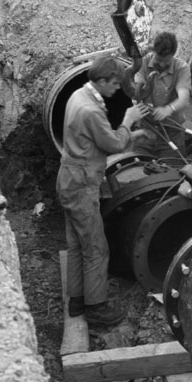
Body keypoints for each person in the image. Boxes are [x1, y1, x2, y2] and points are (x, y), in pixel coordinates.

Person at [57, 56, 146, 327]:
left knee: (76, 244)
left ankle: (77, 301)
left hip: (68, 177)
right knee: (96, 247)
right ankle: (96, 307)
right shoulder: (92, 111)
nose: (117, 89)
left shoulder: (78, 95)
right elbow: (113, 144)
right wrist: (129, 122)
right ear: (103, 80)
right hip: (82, 184)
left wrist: (129, 135)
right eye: (115, 83)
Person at [122, 31, 191, 166]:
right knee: (138, 171)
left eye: (167, 61)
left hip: (171, 134)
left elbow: (184, 98)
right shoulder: (144, 62)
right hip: (144, 132)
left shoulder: (181, 68)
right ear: (154, 52)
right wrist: (137, 100)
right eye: (159, 60)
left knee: (172, 175)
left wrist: (169, 109)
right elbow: (137, 90)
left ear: (173, 55)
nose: (162, 64)